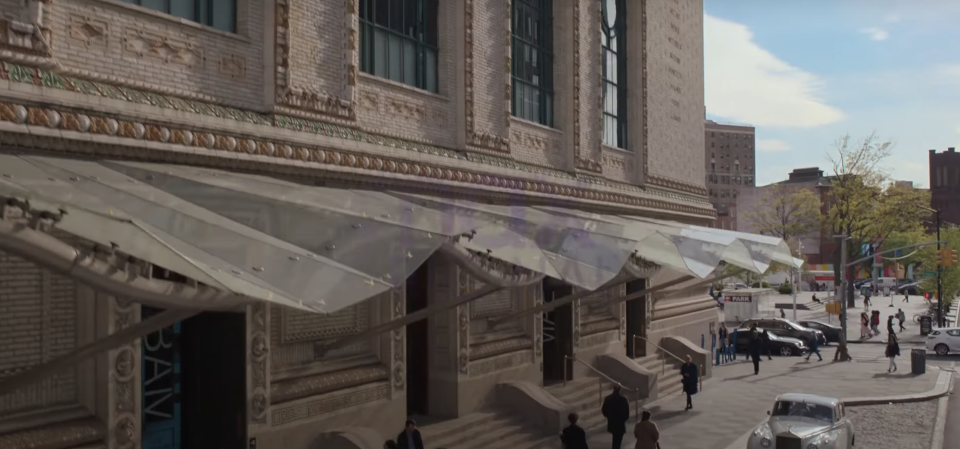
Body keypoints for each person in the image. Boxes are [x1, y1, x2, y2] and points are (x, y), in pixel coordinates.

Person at [601, 384, 630, 449]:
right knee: (618, 438)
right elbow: (627, 411)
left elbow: (604, 410)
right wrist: (624, 418)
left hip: (612, 421)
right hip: (620, 422)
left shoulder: (608, 398)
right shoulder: (623, 399)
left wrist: (608, 416)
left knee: (615, 437)